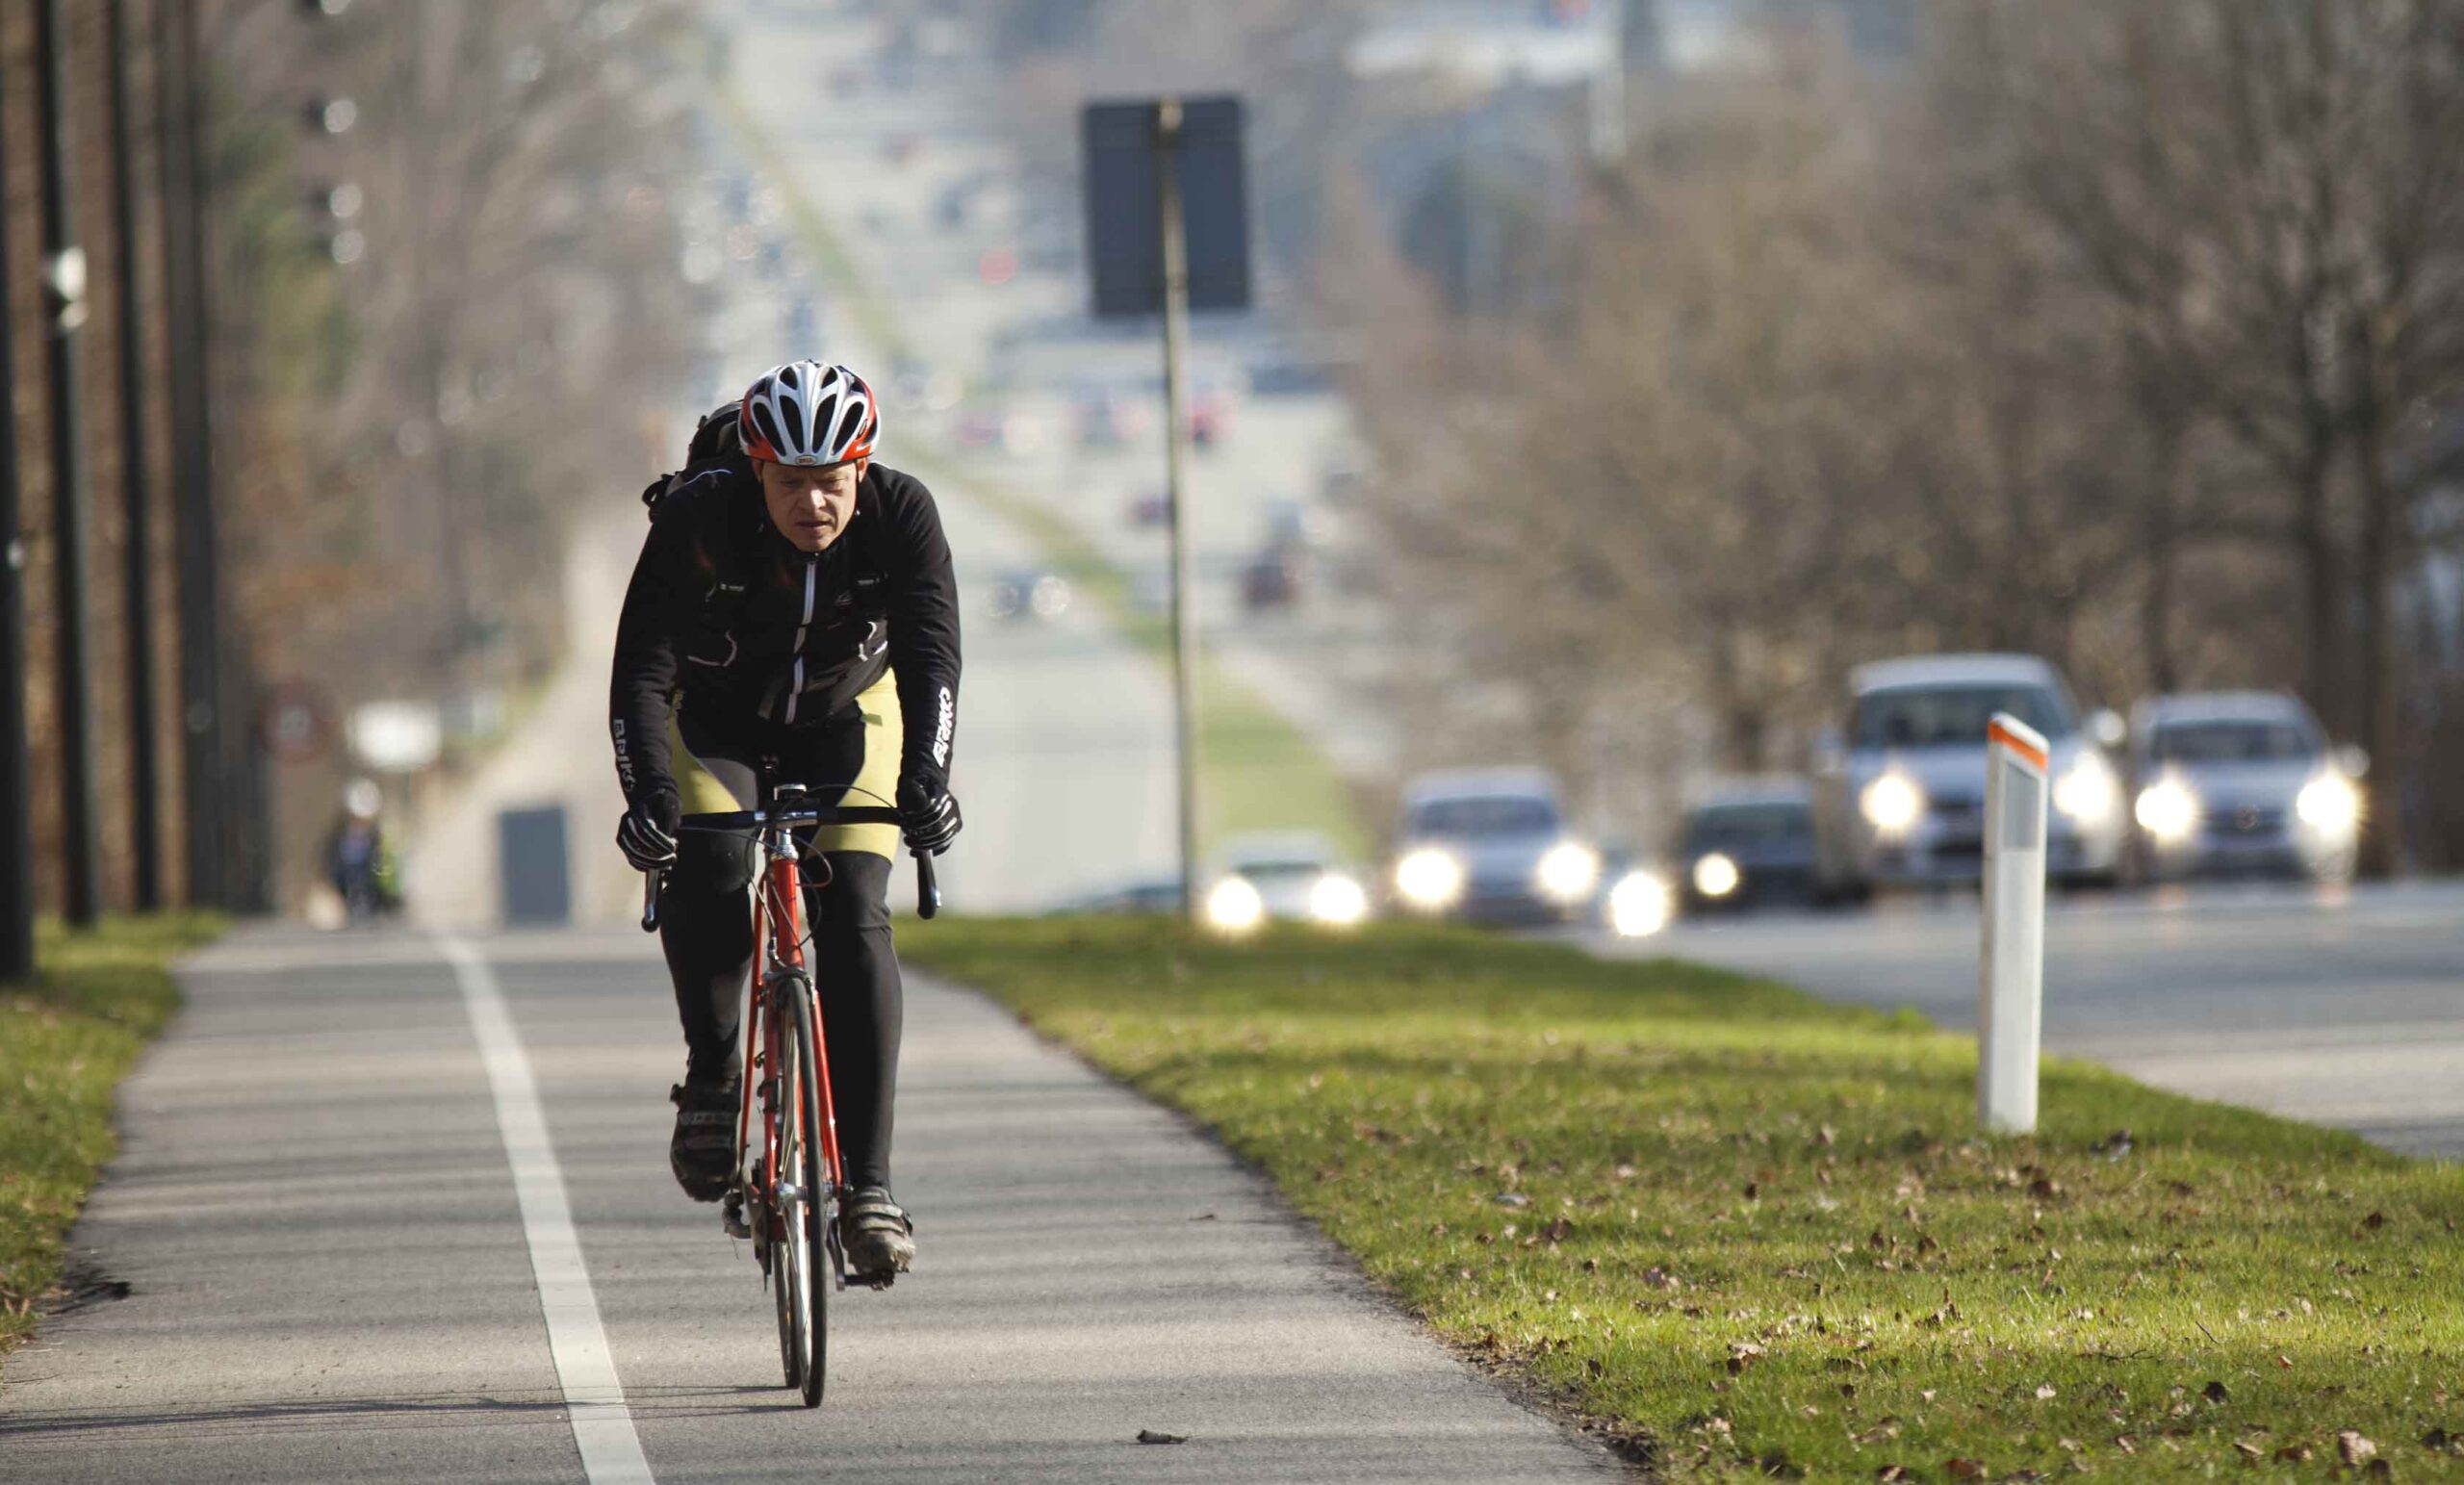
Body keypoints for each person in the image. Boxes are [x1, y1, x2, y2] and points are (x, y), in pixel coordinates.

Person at [608, 360, 962, 1280]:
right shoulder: (701, 517)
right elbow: (641, 669)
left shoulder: (903, 514)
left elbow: (932, 660)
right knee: (714, 858)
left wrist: (927, 778)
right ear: (757, 470)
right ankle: (715, 1073)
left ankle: (871, 1187)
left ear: (861, 469)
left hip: (850, 714)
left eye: (832, 481)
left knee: (857, 905)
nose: (814, 502)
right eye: (792, 482)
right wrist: (649, 793)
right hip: (716, 717)